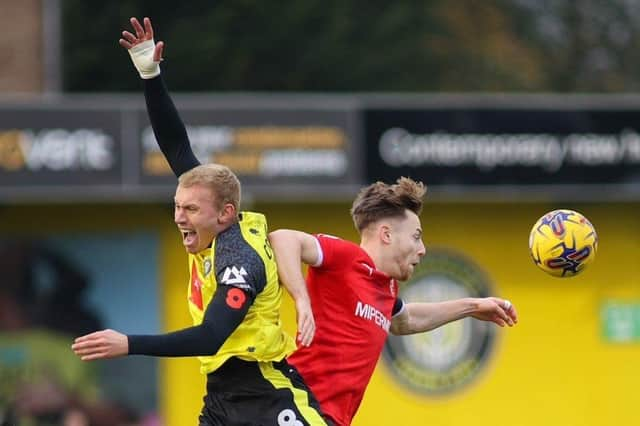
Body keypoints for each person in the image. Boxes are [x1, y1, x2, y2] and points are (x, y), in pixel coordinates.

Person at [71, 17, 327, 426]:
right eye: (176, 206)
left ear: (225, 214)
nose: (179, 218)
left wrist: (129, 343)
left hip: (264, 393)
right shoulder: (216, 212)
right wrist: (150, 74)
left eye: (189, 210)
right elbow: (175, 144)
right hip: (222, 398)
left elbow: (211, 336)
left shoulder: (239, 257)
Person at [269, 178, 519, 426]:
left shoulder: (386, 287)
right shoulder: (346, 257)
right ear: (386, 235)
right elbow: (283, 239)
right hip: (297, 401)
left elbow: (406, 320)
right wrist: (301, 300)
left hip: (328, 417)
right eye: (416, 237)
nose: (422, 249)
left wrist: (473, 306)